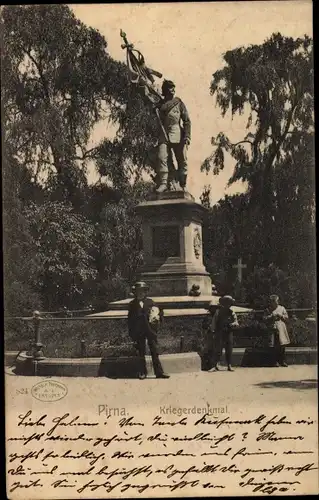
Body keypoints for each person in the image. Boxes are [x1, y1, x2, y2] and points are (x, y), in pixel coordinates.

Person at [127, 281, 170, 379]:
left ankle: (159, 372)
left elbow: (159, 312)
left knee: (154, 350)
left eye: (143, 291)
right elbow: (130, 319)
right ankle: (142, 372)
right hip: (139, 331)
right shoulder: (132, 304)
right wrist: (132, 332)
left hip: (150, 330)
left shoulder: (151, 302)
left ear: (146, 292)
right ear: (135, 293)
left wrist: (158, 317)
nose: (141, 293)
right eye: (138, 291)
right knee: (141, 351)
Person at [155, 80, 191, 192]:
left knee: (182, 160)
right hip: (164, 133)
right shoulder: (160, 105)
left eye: (174, 88)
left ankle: (183, 184)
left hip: (178, 134)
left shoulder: (178, 103)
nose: (173, 90)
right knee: (162, 157)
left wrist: (187, 136)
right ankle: (164, 183)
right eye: (170, 88)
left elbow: (187, 121)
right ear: (165, 90)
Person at [210, 295, 239, 372]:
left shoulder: (232, 312)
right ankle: (215, 365)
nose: (227, 305)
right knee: (218, 349)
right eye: (226, 303)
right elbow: (214, 322)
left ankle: (229, 365)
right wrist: (213, 331)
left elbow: (236, 322)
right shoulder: (218, 312)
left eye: (229, 303)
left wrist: (233, 324)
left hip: (228, 332)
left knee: (229, 349)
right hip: (220, 332)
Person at [263, 294, 290, 367]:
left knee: (282, 346)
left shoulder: (282, 308)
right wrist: (271, 316)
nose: (275, 303)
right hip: (272, 329)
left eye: (276, 301)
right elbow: (264, 319)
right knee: (273, 346)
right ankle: (274, 362)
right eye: (273, 302)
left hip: (281, 329)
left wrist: (281, 316)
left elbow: (287, 319)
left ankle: (282, 361)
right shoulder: (267, 310)